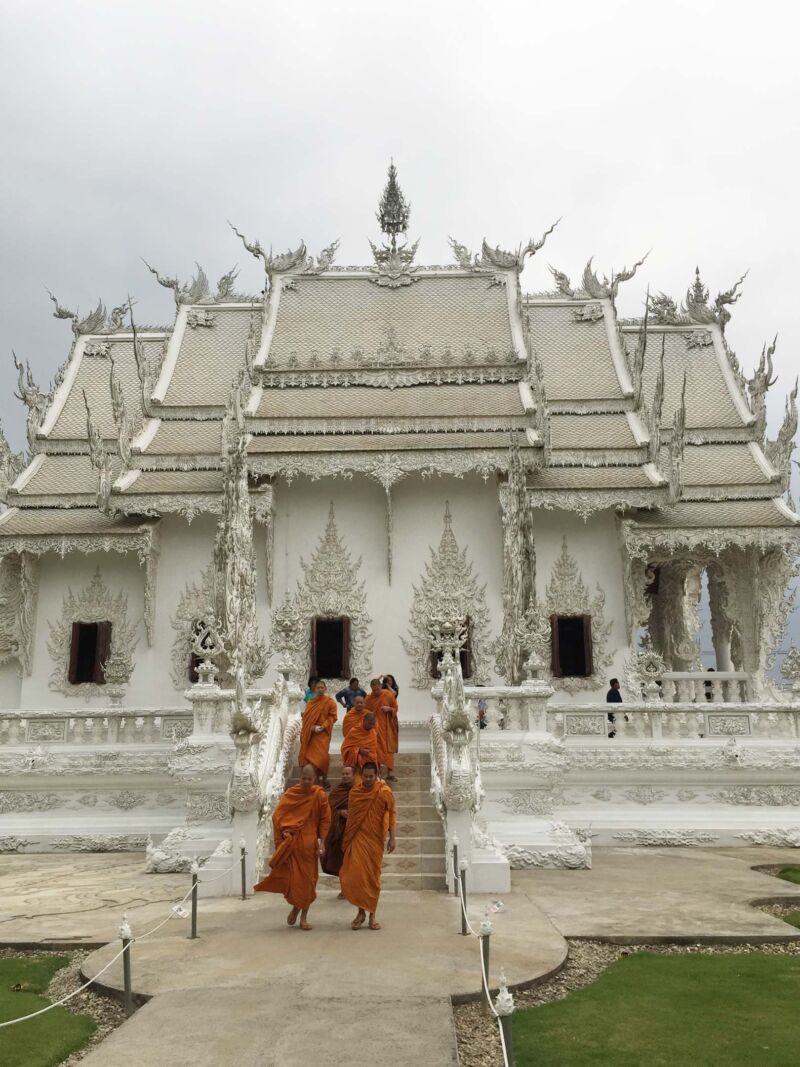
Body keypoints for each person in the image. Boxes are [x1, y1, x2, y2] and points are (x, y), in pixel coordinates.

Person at [253, 763, 331, 931]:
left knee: (309, 882)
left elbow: (325, 820)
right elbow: (278, 816)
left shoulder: (320, 795)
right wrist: (284, 831)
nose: (307, 782)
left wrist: (322, 842)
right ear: (299, 778)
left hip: (309, 847)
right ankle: (296, 907)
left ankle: (303, 915)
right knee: (294, 881)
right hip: (293, 846)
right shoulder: (292, 794)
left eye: (310, 779)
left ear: (315, 779)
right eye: (304, 778)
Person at [339, 761, 396, 930]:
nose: (369, 779)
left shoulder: (384, 792)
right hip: (357, 838)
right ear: (361, 776)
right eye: (366, 776)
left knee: (372, 878)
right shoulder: (355, 792)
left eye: (372, 776)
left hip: (375, 840)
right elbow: (352, 818)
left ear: (377, 775)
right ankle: (360, 912)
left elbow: (392, 813)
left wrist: (392, 838)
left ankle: (372, 914)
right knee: (357, 877)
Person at [322, 764, 354, 897]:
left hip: (354, 831)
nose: (345, 776)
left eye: (347, 774)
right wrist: (339, 812)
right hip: (339, 831)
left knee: (353, 862)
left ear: (353, 776)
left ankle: (354, 889)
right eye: (343, 774)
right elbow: (328, 809)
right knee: (341, 861)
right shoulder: (337, 791)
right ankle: (344, 889)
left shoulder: (358, 790)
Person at [299, 679, 338, 786]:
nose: (320, 690)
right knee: (311, 759)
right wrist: (312, 728)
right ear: (315, 689)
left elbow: (333, 717)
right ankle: (312, 780)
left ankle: (324, 779)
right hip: (312, 734)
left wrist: (323, 726)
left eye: (322, 688)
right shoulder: (311, 702)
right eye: (318, 688)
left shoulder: (330, 702)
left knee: (323, 757)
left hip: (323, 734)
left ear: (325, 689)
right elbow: (306, 719)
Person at [365, 677, 399, 783]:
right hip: (374, 729)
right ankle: (378, 773)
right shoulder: (368, 699)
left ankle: (390, 773)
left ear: (380, 686)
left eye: (377, 689)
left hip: (387, 727)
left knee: (388, 749)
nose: (376, 692)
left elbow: (395, 708)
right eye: (373, 690)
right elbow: (365, 713)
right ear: (371, 688)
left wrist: (389, 709)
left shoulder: (388, 695)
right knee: (376, 750)